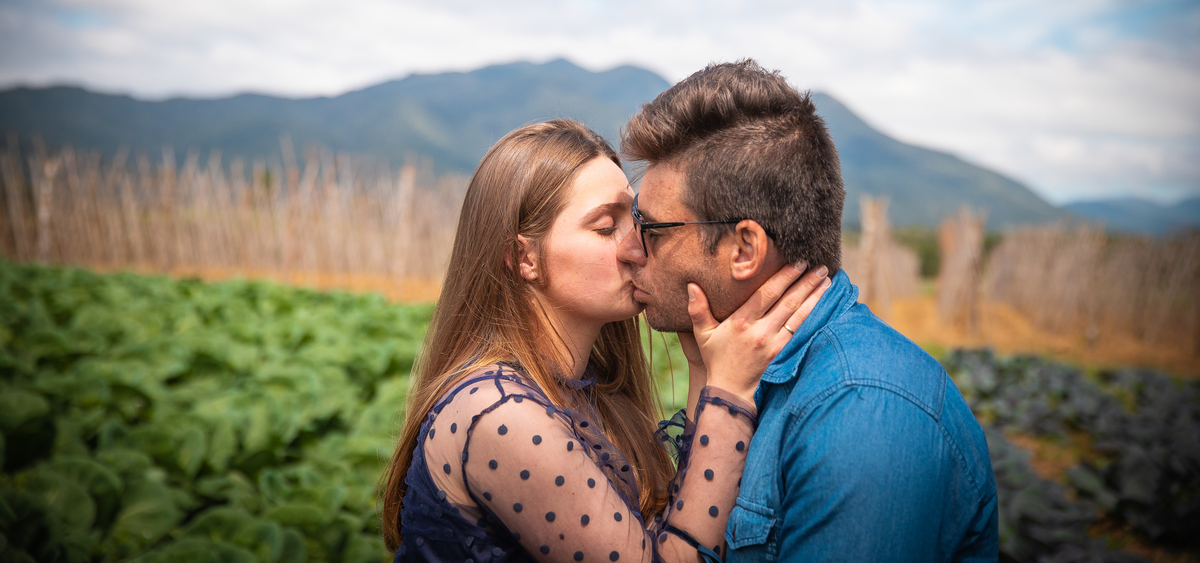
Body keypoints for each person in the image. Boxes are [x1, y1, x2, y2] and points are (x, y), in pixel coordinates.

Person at [381, 119, 832, 562]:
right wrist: (729, 393)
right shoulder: (502, 416)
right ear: (524, 257)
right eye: (604, 228)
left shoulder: (589, 393)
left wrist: (702, 366)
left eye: (635, 221)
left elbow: (674, 520)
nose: (638, 247)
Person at [617, 61, 999, 562]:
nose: (630, 248)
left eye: (653, 229)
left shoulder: (860, 417)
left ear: (744, 249)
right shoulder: (740, 366)